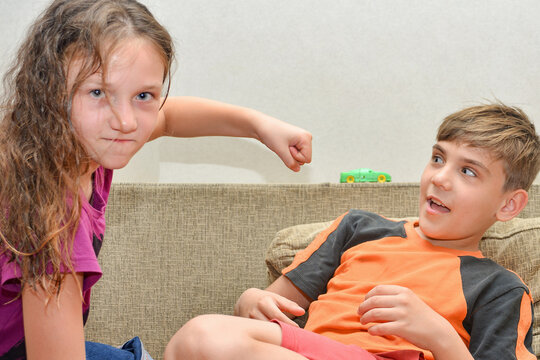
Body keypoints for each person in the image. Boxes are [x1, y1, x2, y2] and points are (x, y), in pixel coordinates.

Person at [0, 0, 312, 359]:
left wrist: (259, 126)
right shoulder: (52, 221)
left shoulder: (77, 145)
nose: (127, 121)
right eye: (98, 92)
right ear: (49, 92)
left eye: (143, 95)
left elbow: (172, 118)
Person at [166, 103, 539, 360]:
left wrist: (437, 334)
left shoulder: (500, 288)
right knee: (195, 340)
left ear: (508, 205)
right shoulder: (359, 228)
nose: (440, 178)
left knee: (205, 336)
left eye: (468, 171)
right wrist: (249, 301)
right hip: (307, 349)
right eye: (438, 158)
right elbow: (271, 308)